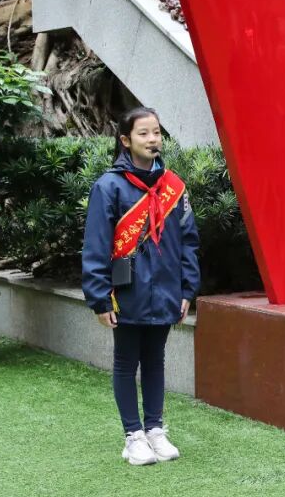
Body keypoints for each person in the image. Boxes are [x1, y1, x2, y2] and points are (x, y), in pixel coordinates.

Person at [82, 107, 200, 466]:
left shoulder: (174, 187)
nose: (153, 140)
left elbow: (189, 242)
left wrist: (187, 290)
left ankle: (155, 430)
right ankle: (133, 436)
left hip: (166, 290)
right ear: (125, 140)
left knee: (155, 360)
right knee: (125, 361)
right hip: (126, 292)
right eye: (144, 133)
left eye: (157, 133)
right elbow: (96, 245)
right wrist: (100, 298)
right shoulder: (108, 187)